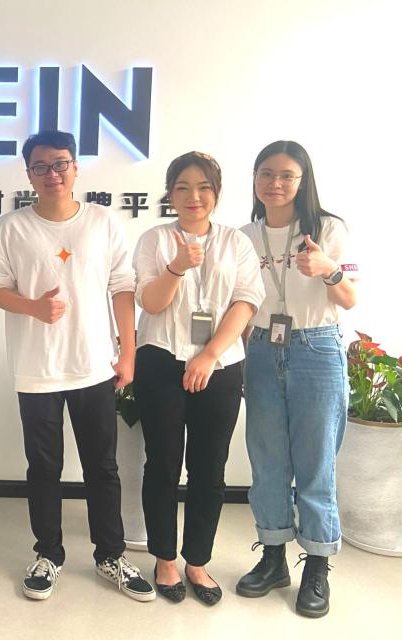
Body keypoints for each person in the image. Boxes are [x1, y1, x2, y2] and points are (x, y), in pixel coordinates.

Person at [0, 131, 154, 603]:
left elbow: (123, 287)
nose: (52, 174)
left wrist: (128, 352)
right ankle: (48, 554)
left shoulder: (102, 221)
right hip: (36, 368)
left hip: (93, 365)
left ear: (76, 168)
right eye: (41, 166)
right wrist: (33, 307)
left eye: (60, 163)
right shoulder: (11, 227)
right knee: (43, 467)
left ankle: (111, 555)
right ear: (28, 175)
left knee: (103, 466)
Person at [132, 152, 263, 606]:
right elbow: (150, 303)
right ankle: (165, 558)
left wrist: (209, 355)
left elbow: (246, 302)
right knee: (163, 463)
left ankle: (198, 562)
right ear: (170, 193)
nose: (194, 196)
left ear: (217, 193)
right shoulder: (154, 239)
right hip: (160, 360)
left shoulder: (235, 242)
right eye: (183, 187)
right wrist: (176, 267)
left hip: (220, 365)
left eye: (204, 187)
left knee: (210, 467)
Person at [235, 140, 358, 619]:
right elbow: (238, 302)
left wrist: (328, 271)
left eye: (287, 175)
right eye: (266, 174)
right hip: (262, 348)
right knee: (267, 461)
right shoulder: (245, 236)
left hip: (316, 349)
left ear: (303, 180)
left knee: (315, 463)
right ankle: (273, 559)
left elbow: (348, 299)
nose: (275, 183)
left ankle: (317, 566)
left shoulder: (327, 229)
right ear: (255, 179)